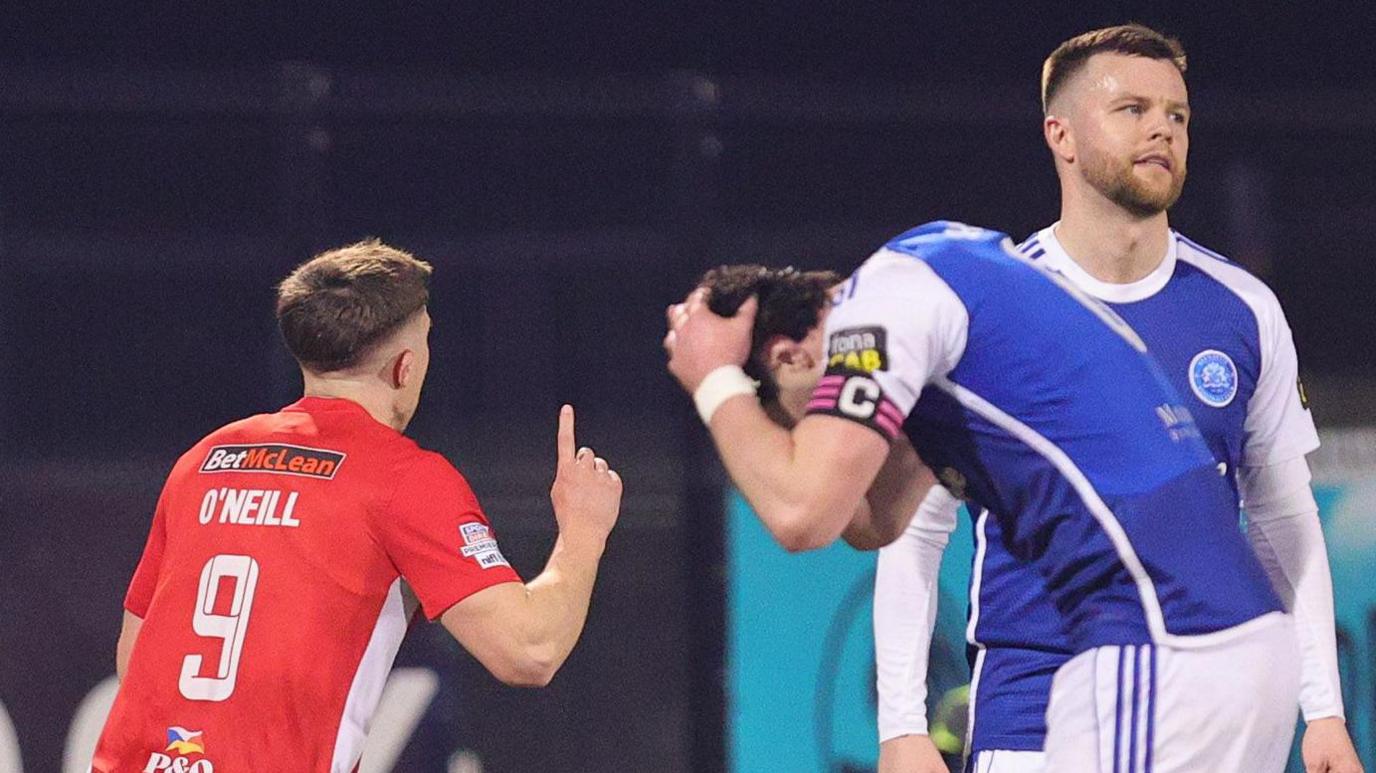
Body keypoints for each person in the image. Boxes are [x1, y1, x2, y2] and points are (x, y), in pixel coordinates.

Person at [870, 25, 1362, 773]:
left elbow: (1283, 520)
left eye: (1178, 114)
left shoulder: (1242, 310)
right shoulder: (990, 307)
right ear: (1060, 135)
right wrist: (902, 726)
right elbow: (913, 530)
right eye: (1132, 108)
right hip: (1038, 712)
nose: (1162, 126)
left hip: (1214, 712)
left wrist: (1322, 709)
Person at [665, 221, 1299, 772]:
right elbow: (873, 520)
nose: (806, 437)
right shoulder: (942, 273)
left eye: (788, 424)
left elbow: (802, 514)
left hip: (1159, 641)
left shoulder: (877, 308)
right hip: (1210, 642)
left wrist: (714, 382)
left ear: (790, 356)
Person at [91, 240, 622, 771]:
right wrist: (583, 530)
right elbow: (529, 651)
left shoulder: (206, 459)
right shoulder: (403, 480)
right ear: (404, 368)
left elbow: (136, 657)